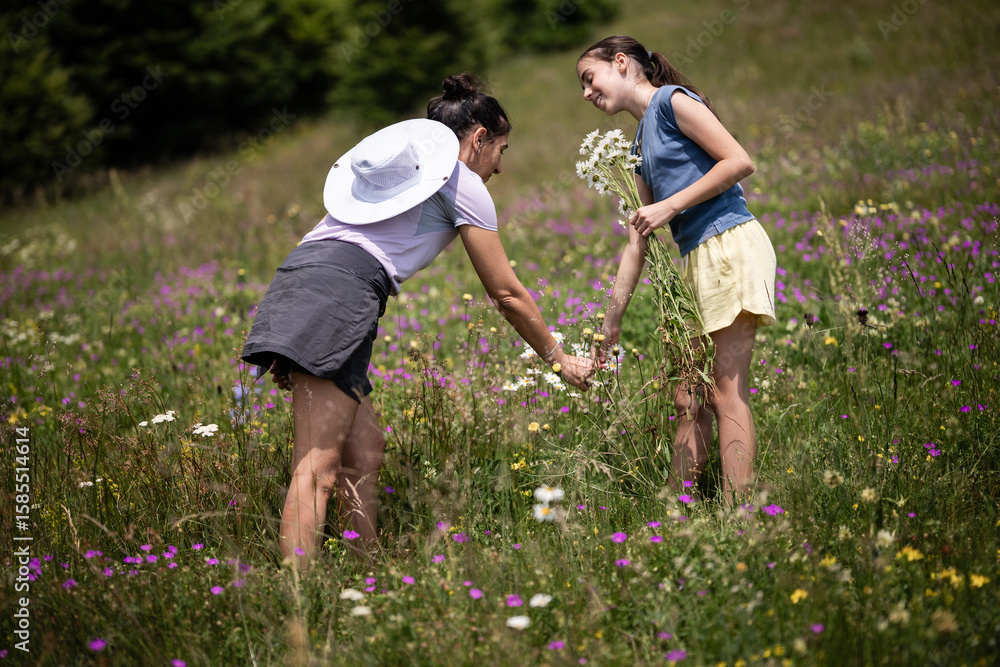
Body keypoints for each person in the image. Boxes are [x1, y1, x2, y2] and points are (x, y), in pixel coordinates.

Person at [242, 74, 594, 566]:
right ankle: (296, 603)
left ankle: (366, 569)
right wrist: (560, 359)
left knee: (364, 450)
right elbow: (507, 293)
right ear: (478, 140)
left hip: (303, 277)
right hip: (340, 291)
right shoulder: (462, 181)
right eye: (501, 150)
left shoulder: (411, 172)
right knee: (316, 468)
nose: (500, 167)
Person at [576, 36, 776, 500]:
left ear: (621, 63)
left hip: (728, 244)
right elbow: (636, 241)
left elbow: (739, 161)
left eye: (589, 79)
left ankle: (740, 513)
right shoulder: (637, 143)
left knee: (726, 392)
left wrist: (669, 206)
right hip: (695, 263)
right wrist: (610, 325)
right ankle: (675, 512)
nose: (586, 94)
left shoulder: (672, 102)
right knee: (689, 398)